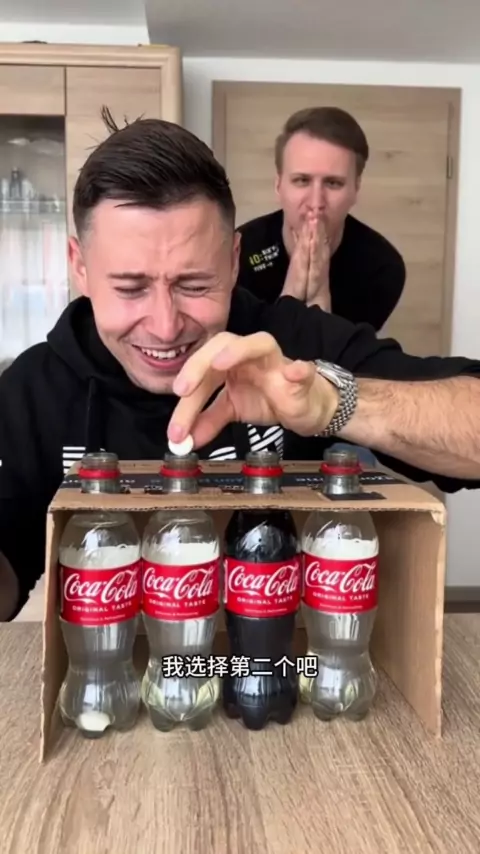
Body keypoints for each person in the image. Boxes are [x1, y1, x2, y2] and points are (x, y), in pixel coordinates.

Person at [1, 116, 480, 624]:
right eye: (130, 288)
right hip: (106, 668)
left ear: (234, 261)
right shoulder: (34, 390)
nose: (165, 326)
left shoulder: (291, 345)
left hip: (284, 660)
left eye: (194, 285)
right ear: (79, 265)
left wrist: (332, 403)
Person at [235, 106, 406, 328]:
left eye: (333, 183)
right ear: (278, 185)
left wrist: (319, 295)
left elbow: (342, 350)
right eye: (302, 181)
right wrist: (290, 293)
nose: (316, 203)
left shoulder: (381, 267)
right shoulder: (238, 253)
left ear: (355, 188)